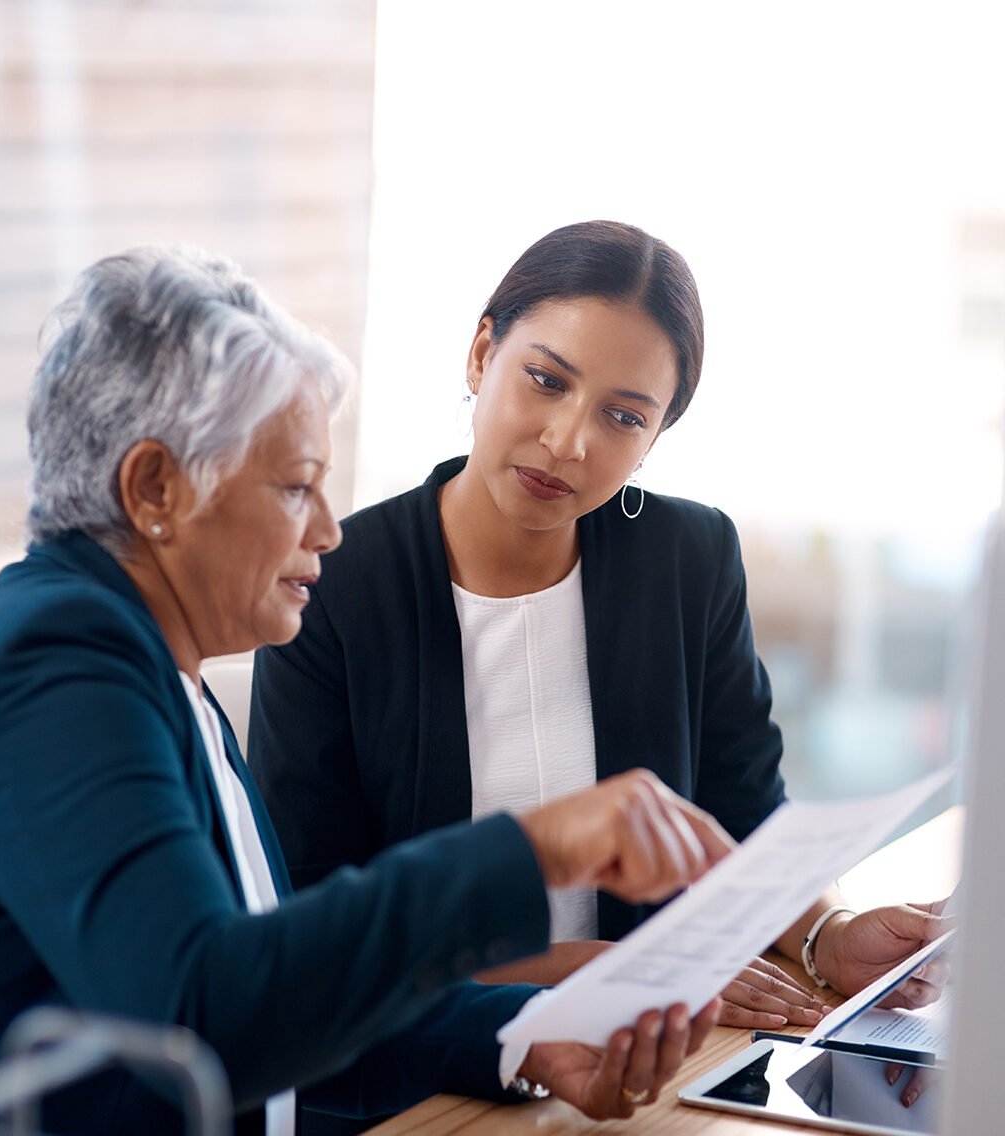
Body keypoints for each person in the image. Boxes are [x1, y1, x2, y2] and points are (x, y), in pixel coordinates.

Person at [0, 247, 732, 1136]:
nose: (329, 532)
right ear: (156, 488)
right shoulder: (55, 664)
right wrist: (531, 850)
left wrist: (521, 1034)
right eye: (297, 488)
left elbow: (275, 992)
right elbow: (202, 1015)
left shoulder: (159, 673)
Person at [248, 220, 952, 1034]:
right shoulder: (333, 580)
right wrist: (596, 976)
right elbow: (314, 913)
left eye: (623, 418)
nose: (569, 441)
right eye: (546, 380)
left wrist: (829, 936)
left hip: (648, 1049)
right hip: (416, 1060)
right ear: (482, 356)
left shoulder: (689, 557)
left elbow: (745, 811)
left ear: (655, 439)